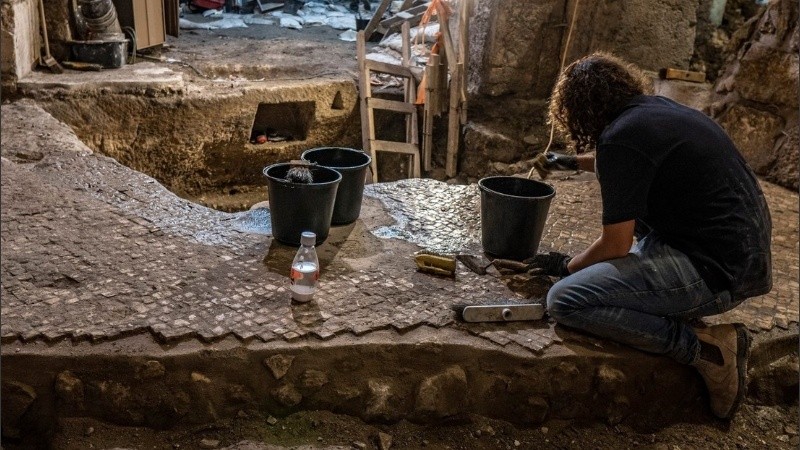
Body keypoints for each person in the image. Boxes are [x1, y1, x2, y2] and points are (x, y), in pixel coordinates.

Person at [527, 51, 773, 420]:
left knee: (566, 300)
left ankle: (705, 350)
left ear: (576, 110)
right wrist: (569, 162)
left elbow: (616, 244)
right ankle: (665, 301)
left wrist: (566, 266)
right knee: (636, 226)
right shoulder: (654, 112)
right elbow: (629, 158)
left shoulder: (619, 138)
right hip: (739, 254)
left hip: (715, 272)